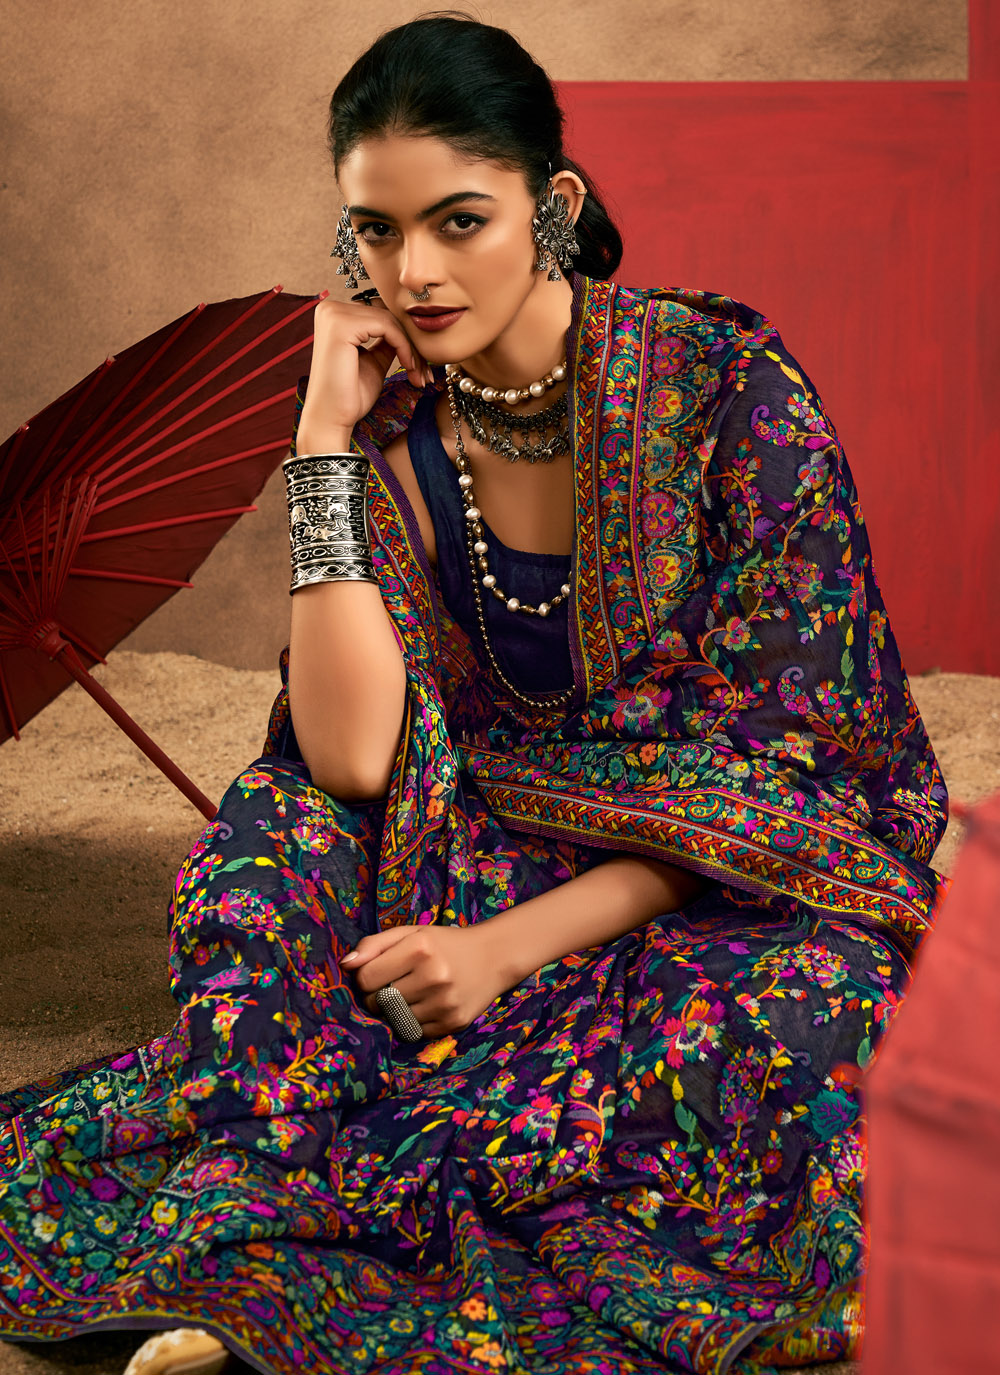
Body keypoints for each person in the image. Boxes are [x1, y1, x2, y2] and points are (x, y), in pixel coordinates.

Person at [0, 12, 948, 1375]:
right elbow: (351, 761)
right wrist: (323, 446)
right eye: (375, 233)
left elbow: (798, 775)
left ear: (548, 204)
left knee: (811, 1011)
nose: (417, 273)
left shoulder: (727, 393)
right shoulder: (388, 431)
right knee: (255, 868)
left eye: (458, 221)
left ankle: (330, 1226)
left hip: (709, 878)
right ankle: (272, 1240)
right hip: (453, 837)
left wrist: (505, 952)